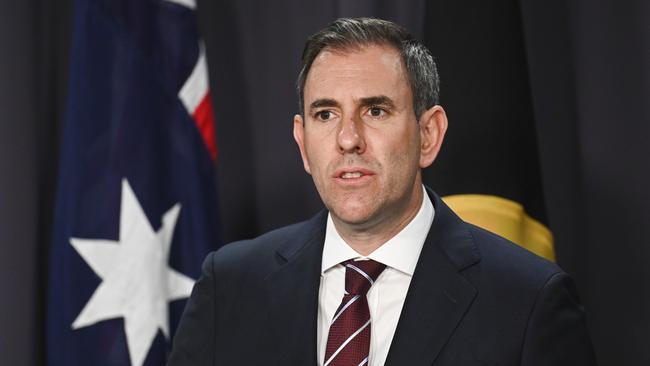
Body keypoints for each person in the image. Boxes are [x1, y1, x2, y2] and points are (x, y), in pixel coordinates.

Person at [167, 17, 596, 366]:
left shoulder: (529, 301)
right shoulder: (229, 286)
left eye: (375, 110)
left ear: (428, 135)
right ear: (303, 142)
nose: (348, 138)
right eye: (325, 113)